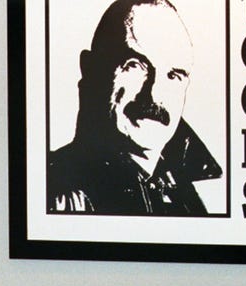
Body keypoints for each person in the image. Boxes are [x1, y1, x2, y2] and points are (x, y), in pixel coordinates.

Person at [48, 0, 222, 216]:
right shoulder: (58, 191)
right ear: (90, 69)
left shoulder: (187, 197)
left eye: (174, 75)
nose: (154, 94)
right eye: (136, 65)